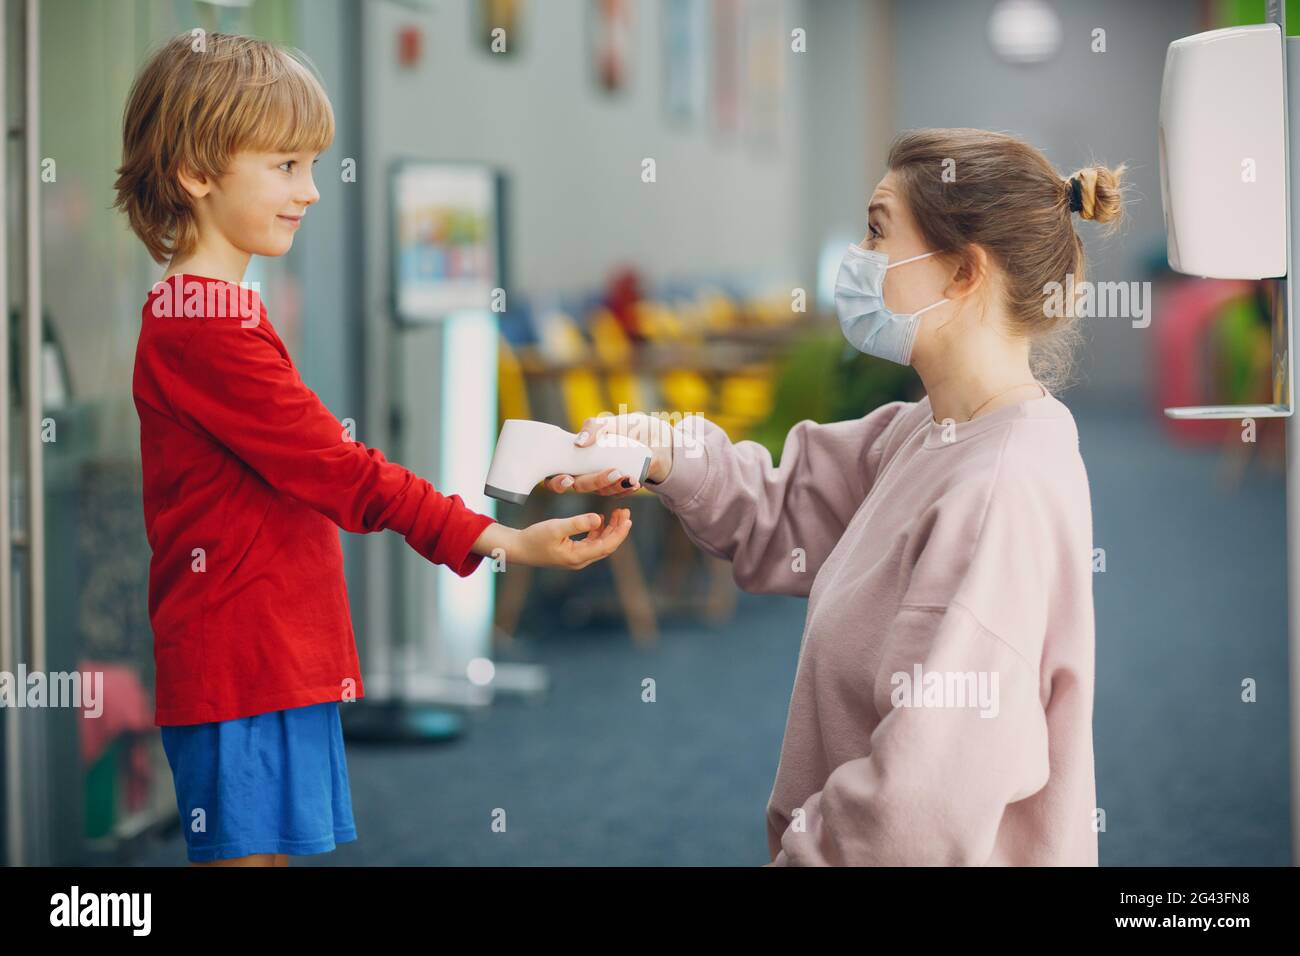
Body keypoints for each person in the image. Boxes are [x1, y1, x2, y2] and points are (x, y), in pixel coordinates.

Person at [114, 32, 631, 867]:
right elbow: (339, 469)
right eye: (286, 166)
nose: (311, 192)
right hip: (238, 663)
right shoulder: (203, 325)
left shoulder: (216, 311)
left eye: (311, 166)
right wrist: (499, 537)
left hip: (267, 657)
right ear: (197, 172)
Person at [550, 128, 1128, 865]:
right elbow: (784, 506)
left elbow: (915, 811)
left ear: (961, 273)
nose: (858, 259)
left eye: (877, 231)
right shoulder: (931, 429)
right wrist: (662, 451)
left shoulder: (993, 492)